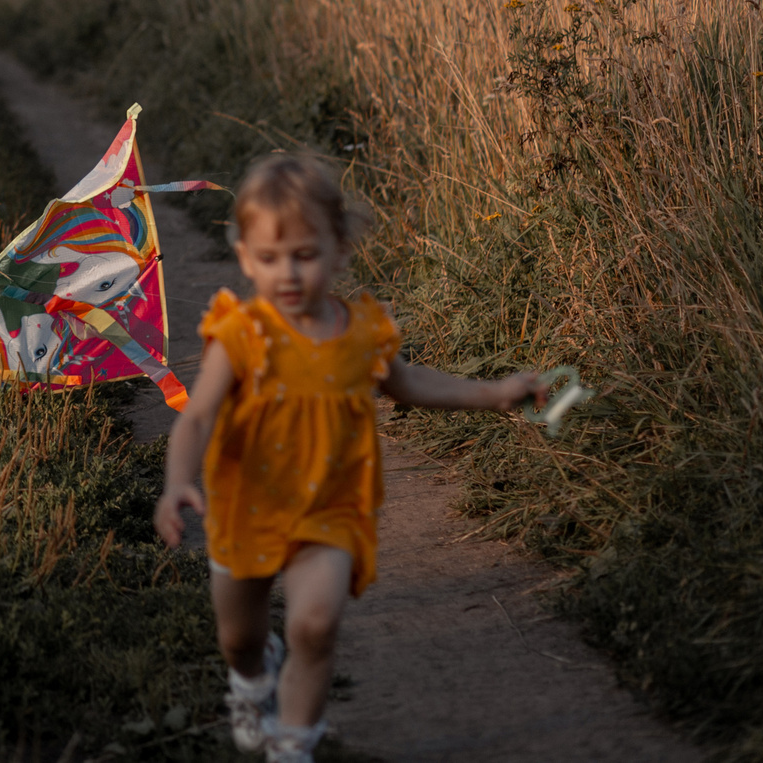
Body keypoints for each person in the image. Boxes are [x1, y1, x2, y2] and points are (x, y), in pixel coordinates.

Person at [152, 154, 546, 761]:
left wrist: (498, 393)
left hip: (330, 509)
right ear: (246, 259)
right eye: (269, 258)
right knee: (240, 637)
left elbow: (411, 385)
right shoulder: (241, 335)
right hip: (248, 508)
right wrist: (178, 482)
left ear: (339, 253)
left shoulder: (360, 332)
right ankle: (251, 682)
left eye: (305, 255)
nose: (287, 273)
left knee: (315, 624)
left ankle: (293, 745)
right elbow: (198, 416)